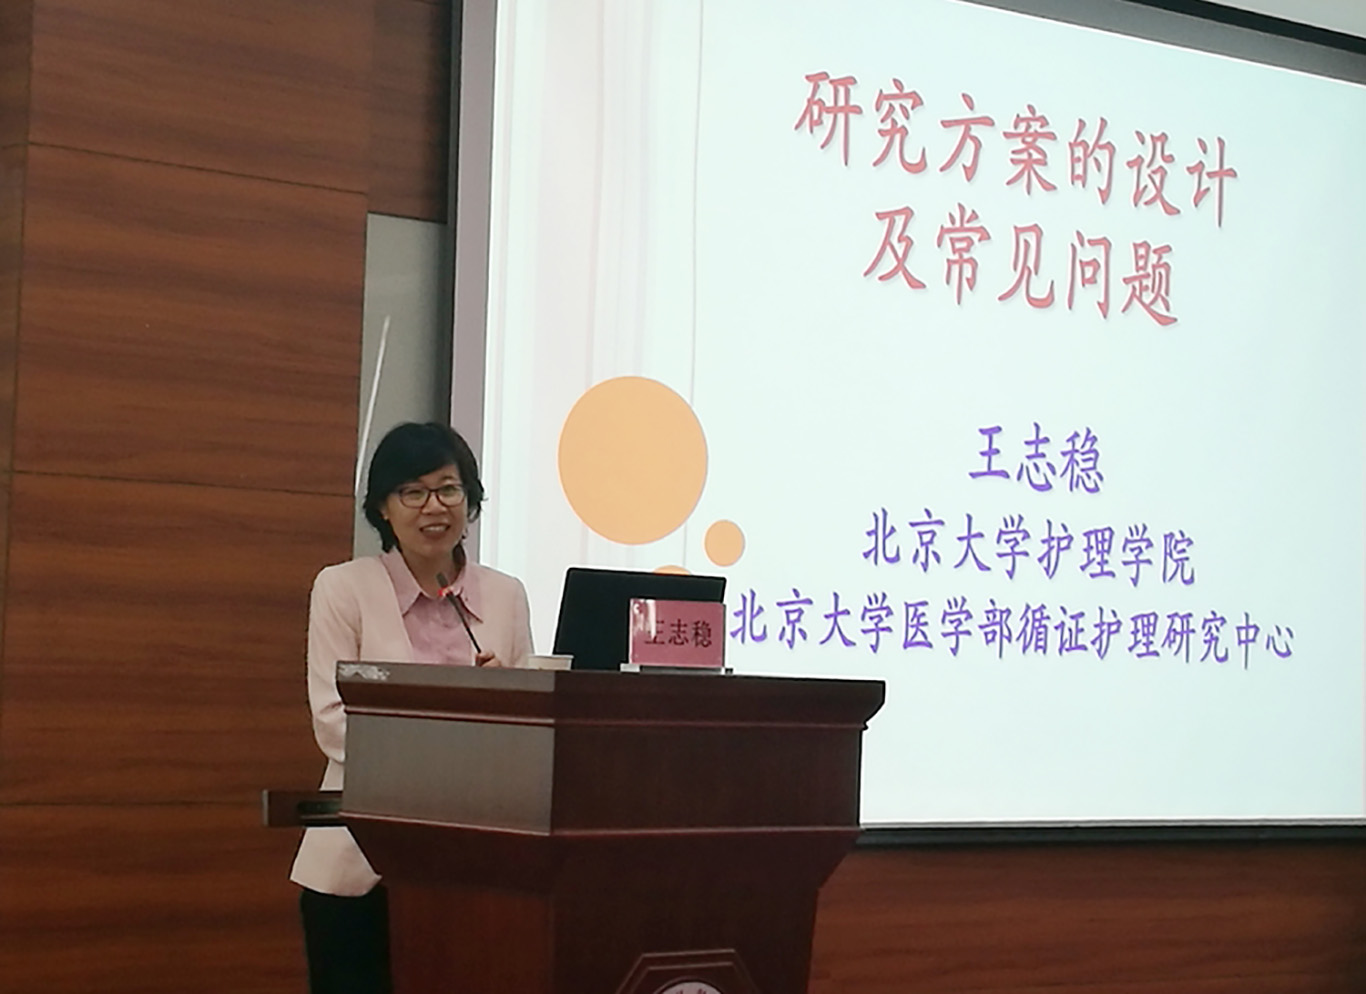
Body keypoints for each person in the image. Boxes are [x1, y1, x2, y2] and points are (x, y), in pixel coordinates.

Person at [290, 422, 533, 994]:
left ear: (470, 500)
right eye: (413, 492)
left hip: (477, 872)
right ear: (383, 507)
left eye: (448, 489)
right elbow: (334, 724)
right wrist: (452, 747)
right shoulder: (343, 588)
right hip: (359, 869)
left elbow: (530, 735)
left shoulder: (506, 595)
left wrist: (508, 704)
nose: (434, 507)